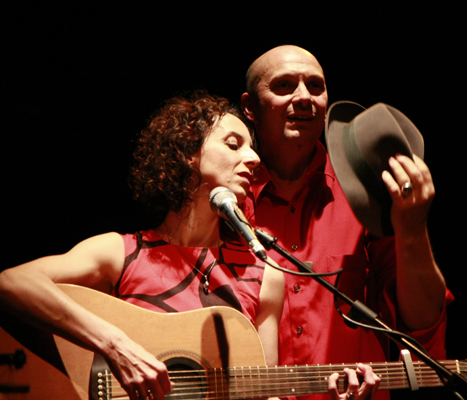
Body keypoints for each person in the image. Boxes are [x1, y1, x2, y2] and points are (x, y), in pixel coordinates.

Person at [0, 91, 277, 400]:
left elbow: (265, 389)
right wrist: (115, 346)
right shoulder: (122, 252)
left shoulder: (262, 273)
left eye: (253, 149)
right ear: (188, 152)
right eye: (234, 144)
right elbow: (10, 282)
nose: (254, 159)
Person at [241, 45, 453, 400]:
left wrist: (413, 230)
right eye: (284, 86)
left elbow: (423, 328)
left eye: (315, 86)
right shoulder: (227, 202)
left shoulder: (366, 198)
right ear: (249, 107)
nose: (304, 97)